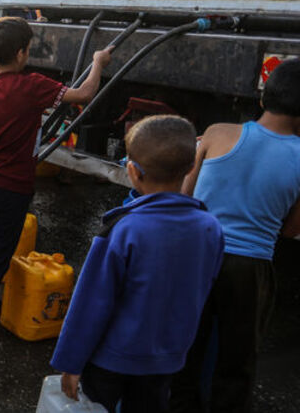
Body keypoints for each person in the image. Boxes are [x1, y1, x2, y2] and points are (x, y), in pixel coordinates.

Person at [51, 115, 224, 413]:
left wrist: (71, 362)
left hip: (111, 359)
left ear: (132, 170)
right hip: (166, 359)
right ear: (191, 168)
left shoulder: (124, 229)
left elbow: (91, 302)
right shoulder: (210, 227)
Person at [0, 17, 112, 345]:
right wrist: (98, 62)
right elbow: (85, 93)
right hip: (14, 187)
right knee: (0, 252)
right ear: (20, 53)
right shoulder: (32, 86)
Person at [170, 59, 300, 413]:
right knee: (238, 358)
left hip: (200, 253)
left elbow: (185, 197)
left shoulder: (216, 133)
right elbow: (291, 229)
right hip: (250, 267)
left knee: (187, 346)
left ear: (263, 98)